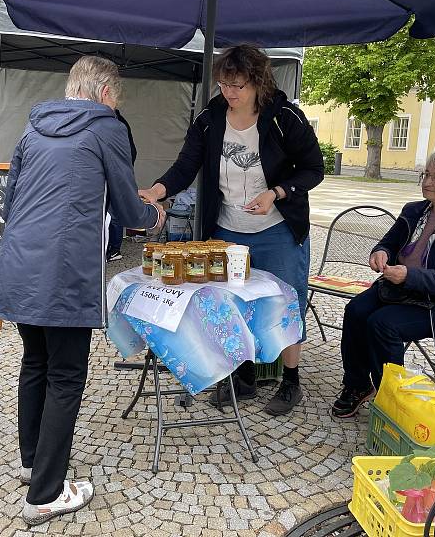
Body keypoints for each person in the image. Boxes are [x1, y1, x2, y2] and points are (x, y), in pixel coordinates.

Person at [0, 55, 165, 526]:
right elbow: (129, 208)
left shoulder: (33, 129)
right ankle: (46, 493)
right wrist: (153, 216)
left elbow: (9, 200)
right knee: (65, 376)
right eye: (118, 97)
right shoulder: (106, 127)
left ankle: (33, 464)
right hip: (64, 271)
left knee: (35, 363)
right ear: (106, 93)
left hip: (22, 264)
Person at [139, 44, 324, 416]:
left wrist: (277, 192)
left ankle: (291, 380)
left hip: (278, 229)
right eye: (224, 84)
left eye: (238, 85)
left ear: (258, 82)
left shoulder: (284, 117)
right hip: (227, 228)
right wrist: (156, 191)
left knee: (285, 301)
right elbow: (185, 164)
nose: (229, 93)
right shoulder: (211, 117)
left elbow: (313, 169)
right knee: (233, 303)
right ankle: (244, 375)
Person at [331, 149, 435, 418]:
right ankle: (357, 385)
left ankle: (392, 401)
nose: (427, 182)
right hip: (401, 289)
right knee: (356, 310)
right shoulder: (415, 210)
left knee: (383, 324)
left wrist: (410, 275)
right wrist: (379, 252)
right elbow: (389, 243)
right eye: (426, 174)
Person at [106, 110, 137, 261]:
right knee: (110, 212)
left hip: (116, 175)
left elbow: (131, 152)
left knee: (114, 212)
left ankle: (114, 248)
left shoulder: (117, 123)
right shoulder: (114, 122)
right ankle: (110, 247)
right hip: (114, 173)